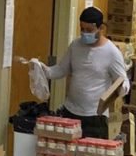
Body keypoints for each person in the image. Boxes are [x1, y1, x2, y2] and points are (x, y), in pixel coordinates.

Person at [42, 7, 130, 139]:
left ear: (101, 28)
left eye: (89, 30)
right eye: (82, 29)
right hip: (70, 112)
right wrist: (44, 71)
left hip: (95, 118)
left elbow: (123, 81)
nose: (84, 33)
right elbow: (61, 69)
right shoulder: (75, 45)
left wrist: (120, 89)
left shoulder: (111, 52)